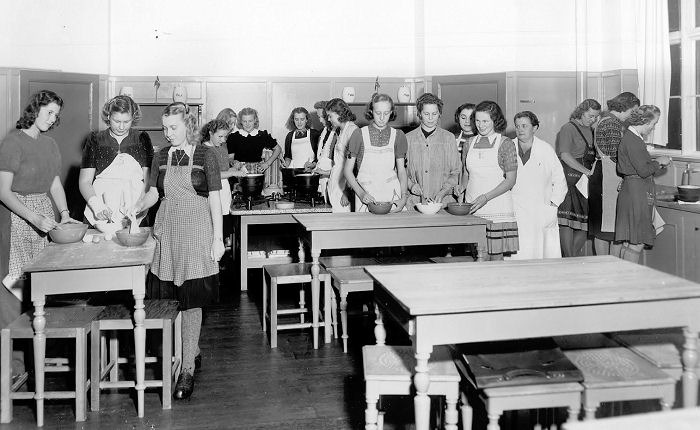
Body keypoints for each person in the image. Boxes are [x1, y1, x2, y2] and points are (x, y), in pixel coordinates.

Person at [131, 102, 224, 400]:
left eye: (173, 127)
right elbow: (154, 193)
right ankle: (191, 349)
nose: (168, 133)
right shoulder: (160, 156)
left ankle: (186, 370)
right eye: (165, 128)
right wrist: (135, 209)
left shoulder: (206, 155)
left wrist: (218, 238)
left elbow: (215, 200)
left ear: (188, 126)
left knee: (192, 298)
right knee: (173, 296)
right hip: (168, 231)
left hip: (197, 231)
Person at [0, 90, 79, 380]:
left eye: (56, 115)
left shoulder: (49, 144)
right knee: (14, 289)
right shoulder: (13, 142)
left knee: (39, 289)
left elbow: (55, 184)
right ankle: (13, 367)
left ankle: (38, 360)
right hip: (15, 219)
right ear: (35, 110)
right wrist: (33, 217)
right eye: (49, 112)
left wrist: (65, 212)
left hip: (43, 218)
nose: (52, 119)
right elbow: (2, 191)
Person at [456, 100, 518, 260]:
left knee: (496, 259)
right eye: (477, 121)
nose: (480, 125)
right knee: (478, 257)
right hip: (473, 208)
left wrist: (486, 197)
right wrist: (461, 187)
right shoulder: (469, 143)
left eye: (485, 121)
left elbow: (510, 181)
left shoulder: (505, 144)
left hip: (497, 208)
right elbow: (466, 173)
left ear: (495, 120)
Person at [79, 95, 153, 227]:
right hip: (101, 207)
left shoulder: (142, 138)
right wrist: (97, 206)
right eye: (116, 121)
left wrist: (140, 205)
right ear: (108, 116)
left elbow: (148, 181)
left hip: (134, 207)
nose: (121, 127)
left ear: (133, 117)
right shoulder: (95, 139)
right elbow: (85, 181)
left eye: (127, 121)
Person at [615, 105, 671, 263]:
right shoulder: (634, 141)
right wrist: (659, 162)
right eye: (654, 123)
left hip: (632, 190)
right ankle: (630, 276)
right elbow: (644, 171)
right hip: (637, 194)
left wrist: (653, 163)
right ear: (645, 122)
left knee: (629, 242)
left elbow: (631, 166)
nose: (653, 128)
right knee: (637, 242)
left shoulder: (631, 137)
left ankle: (624, 276)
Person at [510, 111, 567, 259]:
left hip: (540, 210)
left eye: (524, 126)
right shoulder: (508, 146)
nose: (520, 129)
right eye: (517, 126)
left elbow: (560, 179)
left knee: (539, 252)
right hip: (514, 208)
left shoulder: (545, 149)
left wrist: (554, 203)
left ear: (535, 128)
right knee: (516, 252)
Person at [589, 92, 640, 257]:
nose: (632, 115)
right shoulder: (611, 123)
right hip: (607, 176)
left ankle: (607, 265)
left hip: (606, 174)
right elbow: (616, 155)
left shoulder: (608, 120)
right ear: (624, 107)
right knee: (608, 227)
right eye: (632, 111)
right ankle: (608, 265)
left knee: (607, 227)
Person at [344, 93, 408, 212]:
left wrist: (404, 197)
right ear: (371, 111)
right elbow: (347, 170)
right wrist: (361, 194)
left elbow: (401, 171)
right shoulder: (359, 135)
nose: (382, 118)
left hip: (392, 195)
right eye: (378, 113)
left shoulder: (398, 136)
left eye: (386, 113)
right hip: (366, 195)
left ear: (391, 112)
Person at [556, 99, 601, 257]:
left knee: (585, 222)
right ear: (581, 112)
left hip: (586, 182)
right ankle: (568, 258)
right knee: (567, 221)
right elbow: (565, 155)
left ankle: (571, 259)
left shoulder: (592, 131)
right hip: (570, 179)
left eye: (595, 117)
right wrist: (587, 172)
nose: (593, 119)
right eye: (590, 116)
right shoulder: (568, 128)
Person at [405, 93, 461, 208]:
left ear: (439, 113)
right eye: (426, 114)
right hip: (415, 204)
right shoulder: (408, 139)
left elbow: (456, 172)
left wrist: (443, 191)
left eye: (434, 114)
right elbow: (401, 171)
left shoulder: (449, 138)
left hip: (443, 203)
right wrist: (411, 186)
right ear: (419, 113)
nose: (430, 118)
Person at [323, 98, 355, 212]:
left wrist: (346, 192)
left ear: (340, 113)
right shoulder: (340, 131)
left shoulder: (352, 131)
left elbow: (355, 166)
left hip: (343, 189)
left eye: (330, 116)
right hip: (336, 184)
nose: (328, 119)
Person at [226, 107, 281, 173]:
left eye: (250, 121)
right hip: (238, 172)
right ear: (241, 121)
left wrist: (267, 163)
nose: (247, 124)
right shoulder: (233, 137)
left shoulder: (262, 135)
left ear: (255, 120)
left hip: (257, 173)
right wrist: (234, 162)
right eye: (244, 121)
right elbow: (230, 158)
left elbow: (278, 149)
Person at [312, 101, 337, 196]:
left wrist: (325, 172)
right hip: (323, 179)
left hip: (335, 180)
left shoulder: (338, 133)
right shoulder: (322, 132)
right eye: (319, 117)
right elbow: (320, 156)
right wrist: (313, 164)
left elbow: (341, 164)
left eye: (323, 117)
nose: (320, 120)